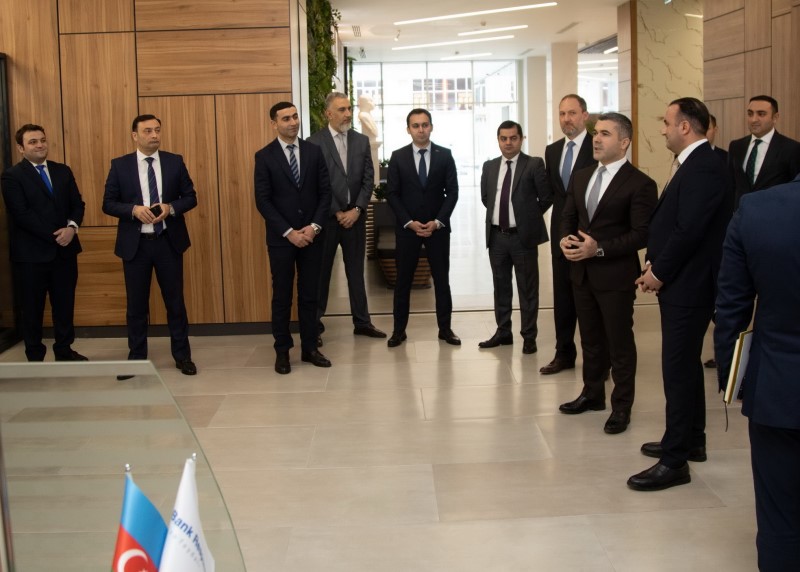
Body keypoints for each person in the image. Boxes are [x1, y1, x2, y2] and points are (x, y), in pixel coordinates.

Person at [629, 97, 730, 491]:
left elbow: (690, 230)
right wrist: (655, 263)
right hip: (684, 280)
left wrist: (659, 272)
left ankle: (674, 462)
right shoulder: (697, 162)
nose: (663, 129)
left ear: (685, 126)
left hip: (689, 284)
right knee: (686, 366)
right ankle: (691, 441)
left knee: (677, 369)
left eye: (667, 122)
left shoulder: (703, 165)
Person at [714, 178, 800, 571]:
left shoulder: (756, 209)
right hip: (776, 383)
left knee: (779, 516)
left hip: (776, 385)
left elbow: (731, 306)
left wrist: (733, 378)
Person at [558, 112, 657, 434]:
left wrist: (597, 249)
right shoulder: (582, 176)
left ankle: (621, 406)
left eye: (605, 134)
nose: (596, 139)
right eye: (596, 133)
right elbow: (568, 215)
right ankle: (592, 394)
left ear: (624, 142)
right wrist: (564, 239)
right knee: (590, 339)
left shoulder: (640, 184)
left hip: (615, 277)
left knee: (619, 344)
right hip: (581, 273)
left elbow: (641, 234)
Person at [103, 115, 198, 379]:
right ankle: (136, 359)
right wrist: (133, 210)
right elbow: (108, 203)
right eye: (147, 131)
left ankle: (182, 356)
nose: (154, 135)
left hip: (168, 242)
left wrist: (171, 207)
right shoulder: (120, 165)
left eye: (157, 130)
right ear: (135, 135)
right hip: (136, 246)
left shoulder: (174, 161)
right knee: (136, 306)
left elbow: (191, 197)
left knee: (175, 303)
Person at [254, 101, 332, 374]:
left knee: (310, 295)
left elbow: (325, 193)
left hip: (312, 237)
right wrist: (289, 232)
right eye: (286, 118)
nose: (293, 122)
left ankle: (310, 348)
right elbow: (263, 201)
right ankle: (282, 351)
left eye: (295, 116)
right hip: (282, 240)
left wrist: (314, 227)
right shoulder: (264, 157)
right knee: (282, 296)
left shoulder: (314, 152)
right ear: (274, 124)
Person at [1, 124, 87, 362]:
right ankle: (35, 356)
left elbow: (77, 205)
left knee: (64, 306)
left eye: (42, 140)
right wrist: (56, 235)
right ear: (21, 148)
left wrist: (72, 228)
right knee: (32, 309)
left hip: (65, 253)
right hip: (31, 256)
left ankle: (64, 350)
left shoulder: (62, 171)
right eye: (33, 142)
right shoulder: (12, 176)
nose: (40, 145)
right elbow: (21, 214)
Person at [308, 92, 386, 346]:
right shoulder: (314, 143)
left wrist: (358, 209)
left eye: (349, 108)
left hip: (355, 218)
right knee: (322, 274)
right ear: (328, 114)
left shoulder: (361, 141)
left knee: (356, 273)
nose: (348, 114)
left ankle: (362, 322)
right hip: (328, 220)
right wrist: (336, 211)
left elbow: (368, 179)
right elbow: (316, 184)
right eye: (342, 110)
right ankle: (314, 326)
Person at [385, 108, 459, 347]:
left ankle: (445, 330)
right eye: (415, 125)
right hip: (408, 229)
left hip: (438, 229)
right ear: (408, 129)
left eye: (425, 125)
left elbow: (452, 192)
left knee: (442, 280)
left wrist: (438, 221)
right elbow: (392, 194)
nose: (421, 129)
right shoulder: (398, 157)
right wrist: (409, 222)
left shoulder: (444, 155)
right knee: (403, 281)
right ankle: (398, 331)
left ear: (431, 127)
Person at [478, 120, 551, 354]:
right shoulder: (489, 166)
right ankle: (503, 332)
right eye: (503, 138)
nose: (508, 143)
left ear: (521, 139)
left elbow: (546, 198)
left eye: (513, 138)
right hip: (497, 237)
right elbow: (486, 198)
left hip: (522, 238)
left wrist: (526, 218)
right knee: (500, 287)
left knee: (527, 289)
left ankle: (529, 336)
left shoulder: (533, 164)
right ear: (498, 140)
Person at [541, 94, 597, 375]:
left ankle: (597, 359)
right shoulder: (552, 151)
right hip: (561, 236)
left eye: (572, 113)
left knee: (589, 301)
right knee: (562, 298)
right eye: (562, 114)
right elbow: (553, 195)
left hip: (589, 234)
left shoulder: (597, 145)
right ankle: (563, 354)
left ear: (584, 115)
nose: (567, 119)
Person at [728, 95, 800, 209]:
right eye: (750, 114)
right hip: (741, 215)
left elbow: (795, 189)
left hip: (774, 215)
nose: (753, 119)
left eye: (761, 114)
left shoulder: (791, 148)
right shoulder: (736, 146)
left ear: (775, 117)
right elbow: (730, 184)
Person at [702, 112, 728, 369]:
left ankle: (726, 355)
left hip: (720, 240)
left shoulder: (725, 159)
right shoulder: (682, 160)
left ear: (715, 129)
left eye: (709, 127)